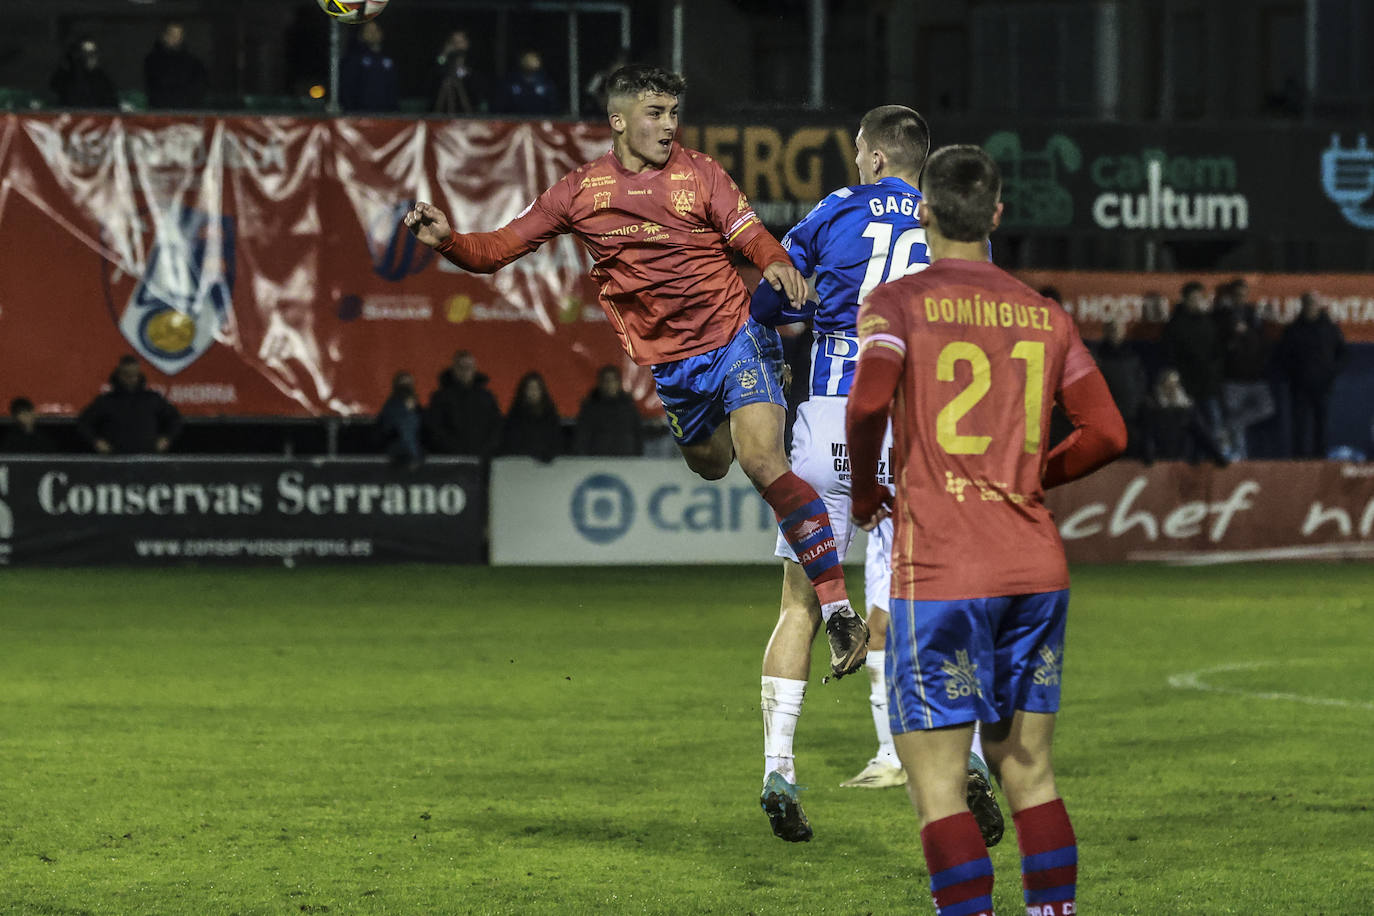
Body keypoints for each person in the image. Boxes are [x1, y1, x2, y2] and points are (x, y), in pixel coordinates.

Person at [403, 67, 865, 706]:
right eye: (655, 112)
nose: (669, 125)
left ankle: (839, 612)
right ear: (618, 120)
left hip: (736, 338)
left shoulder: (700, 174)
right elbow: (496, 249)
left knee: (764, 463)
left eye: (674, 111)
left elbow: (752, 235)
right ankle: (721, 436)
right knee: (709, 465)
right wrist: (447, 240)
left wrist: (778, 264)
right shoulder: (579, 192)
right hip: (674, 370)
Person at [846, 144, 1126, 916]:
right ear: (997, 214)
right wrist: (1037, 477)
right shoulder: (1044, 315)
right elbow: (1106, 433)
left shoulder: (897, 304)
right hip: (1033, 568)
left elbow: (868, 404)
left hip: (941, 570)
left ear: (925, 212)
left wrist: (871, 488)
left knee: (939, 787)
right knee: (1029, 770)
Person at [748, 105, 1002, 847]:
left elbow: (768, 298)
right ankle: (962, 758)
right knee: (922, 599)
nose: (857, 162)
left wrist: (804, 306)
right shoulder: (951, 227)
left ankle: (779, 767)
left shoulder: (834, 211)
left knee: (801, 600)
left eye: (860, 152)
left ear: (876, 157)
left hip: (831, 412)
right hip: (914, 423)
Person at [1278, 291, 1348, 458]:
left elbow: (1344, 354)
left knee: (1321, 427)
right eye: (1307, 304)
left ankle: (1320, 461)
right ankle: (1299, 462)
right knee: (1300, 427)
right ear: (1302, 306)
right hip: (1299, 387)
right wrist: (1294, 375)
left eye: (1313, 304)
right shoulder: (1293, 329)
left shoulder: (1330, 328)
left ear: (1318, 306)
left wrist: (1331, 371)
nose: (1310, 308)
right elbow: (1283, 356)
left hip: (1323, 386)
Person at [1161, 280, 1225, 448]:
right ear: (1185, 300)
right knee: (1189, 428)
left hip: (1209, 385)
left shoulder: (1210, 322)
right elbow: (1170, 355)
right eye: (1193, 298)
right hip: (1187, 386)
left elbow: (1218, 351)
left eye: (1199, 297)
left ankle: (1215, 461)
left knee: (1214, 426)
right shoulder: (1175, 326)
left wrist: (1214, 372)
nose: (1197, 301)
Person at [76, 355, 182, 454]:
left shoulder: (152, 399)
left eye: (135, 375)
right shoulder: (106, 401)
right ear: (119, 375)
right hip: (116, 461)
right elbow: (84, 423)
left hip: (148, 460)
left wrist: (166, 438)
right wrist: (97, 441)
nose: (132, 379)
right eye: (127, 375)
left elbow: (175, 419)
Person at [1141, 367, 1230, 465]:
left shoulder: (1187, 409)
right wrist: (1149, 459)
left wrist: (1218, 456)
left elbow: (1202, 435)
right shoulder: (1152, 408)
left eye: (1175, 385)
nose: (1172, 389)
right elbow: (1147, 435)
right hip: (1160, 460)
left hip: (1183, 461)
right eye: (1168, 385)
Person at [425, 350, 503, 458]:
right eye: (461, 367)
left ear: (475, 369)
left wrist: (485, 450)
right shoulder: (440, 398)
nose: (465, 371)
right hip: (450, 460)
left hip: (482, 460)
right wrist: (453, 450)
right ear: (454, 369)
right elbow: (435, 429)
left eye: (469, 367)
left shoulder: (487, 397)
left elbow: (496, 428)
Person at [1093, 318, 1148, 458]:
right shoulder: (1098, 357)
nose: (1116, 332)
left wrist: (1137, 403)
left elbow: (1140, 383)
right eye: (1112, 329)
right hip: (1109, 417)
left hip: (1131, 415)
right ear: (1106, 332)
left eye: (1119, 329)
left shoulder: (1133, 356)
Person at [573, 365, 643, 456]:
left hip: (626, 460)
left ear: (619, 383)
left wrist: (637, 457)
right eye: (606, 381)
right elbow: (582, 436)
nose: (609, 384)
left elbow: (637, 434)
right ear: (600, 383)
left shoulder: (628, 406)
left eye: (613, 380)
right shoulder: (589, 408)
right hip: (596, 460)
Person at [498, 372, 563, 462]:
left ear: (542, 391)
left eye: (536, 388)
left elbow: (556, 442)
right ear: (524, 391)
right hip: (519, 465)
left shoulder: (551, 416)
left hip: (545, 467)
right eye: (530, 388)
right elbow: (510, 442)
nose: (533, 392)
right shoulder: (514, 416)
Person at [144, 21, 209, 109]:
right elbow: (152, 88)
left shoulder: (194, 62)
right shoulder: (152, 61)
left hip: (188, 112)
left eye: (179, 35)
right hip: (160, 113)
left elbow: (199, 88)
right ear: (164, 36)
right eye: (172, 34)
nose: (175, 38)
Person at [339, 21, 399, 113]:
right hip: (361, 114)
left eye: (375, 30)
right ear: (362, 35)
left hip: (386, 114)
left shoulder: (390, 58)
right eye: (368, 31)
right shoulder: (354, 58)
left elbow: (394, 88)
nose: (372, 34)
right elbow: (348, 87)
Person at [50, 37, 118, 109]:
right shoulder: (66, 78)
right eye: (85, 54)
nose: (91, 57)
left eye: (94, 53)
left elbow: (111, 108)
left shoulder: (103, 80)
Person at [432, 29, 486, 114]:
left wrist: (460, 71)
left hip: (469, 100)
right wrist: (445, 53)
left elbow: (470, 75)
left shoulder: (472, 57)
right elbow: (440, 63)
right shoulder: (449, 56)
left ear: (467, 42)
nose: (457, 45)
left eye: (460, 41)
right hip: (447, 98)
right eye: (454, 42)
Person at [378, 370, 424, 468]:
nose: (406, 388)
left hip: (414, 459)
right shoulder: (391, 408)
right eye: (403, 385)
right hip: (399, 459)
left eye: (408, 385)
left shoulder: (418, 410)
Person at [497, 49, 558, 115]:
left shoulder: (546, 84)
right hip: (516, 120)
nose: (530, 62)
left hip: (540, 120)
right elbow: (501, 106)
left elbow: (553, 107)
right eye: (527, 60)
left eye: (533, 59)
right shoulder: (511, 83)